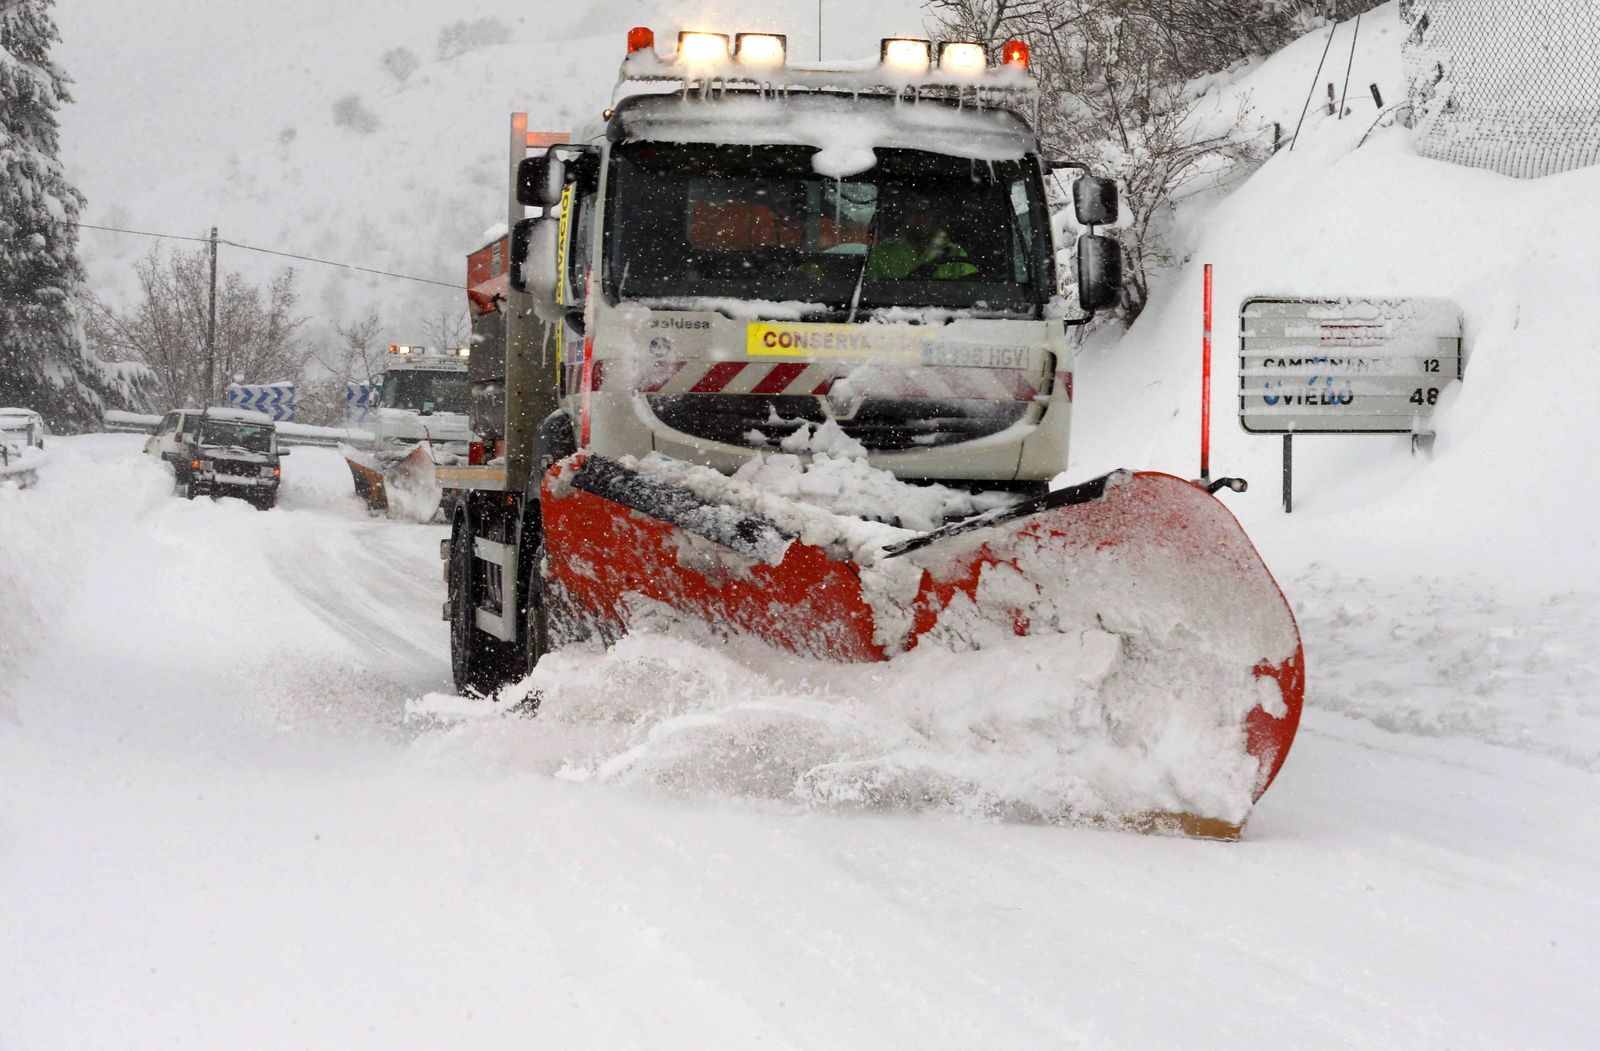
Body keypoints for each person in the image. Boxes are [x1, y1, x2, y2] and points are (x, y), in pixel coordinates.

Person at [865, 192, 980, 280]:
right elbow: (868, 296)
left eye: (925, 212)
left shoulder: (955, 253)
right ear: (904, 215)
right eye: (914, 212)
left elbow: (974, 294)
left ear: (935, 216)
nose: (920, 218)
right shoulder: (881, 253)